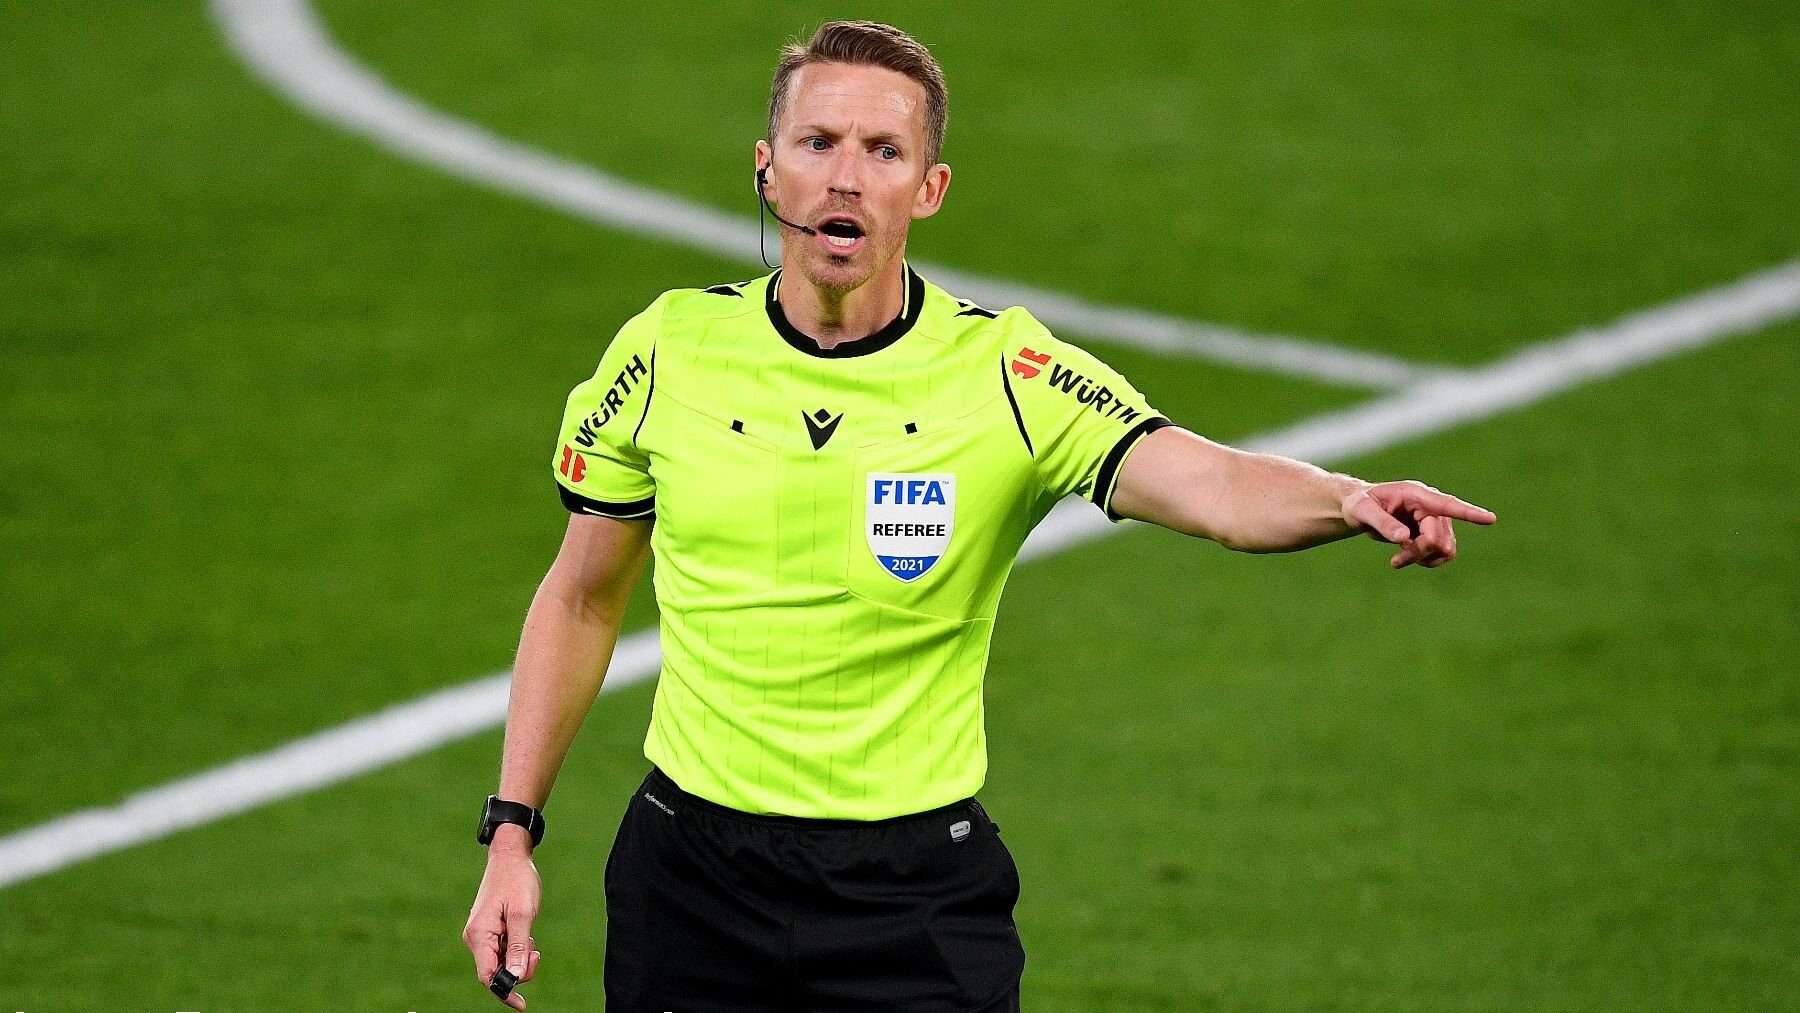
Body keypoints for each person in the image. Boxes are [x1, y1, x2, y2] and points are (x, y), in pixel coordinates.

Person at [462, 19, 1496, 1012]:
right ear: (768, 170)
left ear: (930, 187)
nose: (846, 177)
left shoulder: (1007, 373)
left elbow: (1214, 485)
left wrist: (1346, 497)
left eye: (883, 150)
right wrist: (512, 831)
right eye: (818, 143)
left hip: (910, 900)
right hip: (690, 882)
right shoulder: (666, 352)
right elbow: (583, 597)